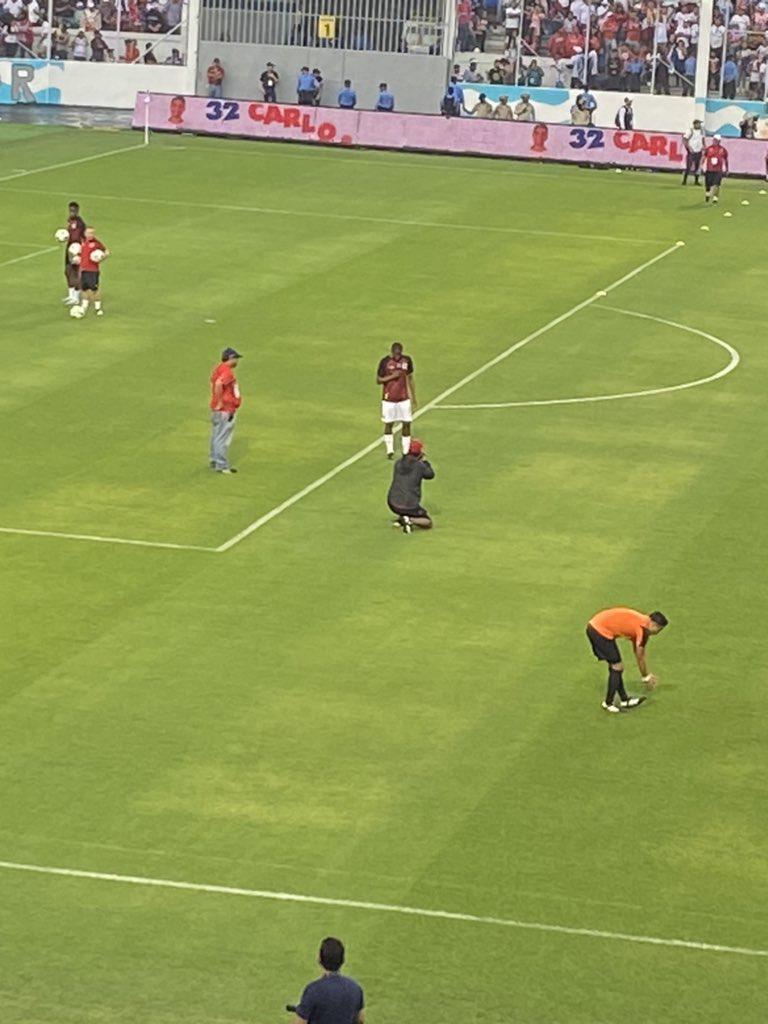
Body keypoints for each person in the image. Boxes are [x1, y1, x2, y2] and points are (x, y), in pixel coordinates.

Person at [586, 608, 669, 713]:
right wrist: (646, 677)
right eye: (659, 629)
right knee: (617, 666)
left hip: (597, 626)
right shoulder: (643, 630)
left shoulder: (643, 623)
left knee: (617, 667)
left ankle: (624, 700)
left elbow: (637, 650)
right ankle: (608, 703)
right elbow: (640, 656)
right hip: (599, 631)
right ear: (653, 624)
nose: (658, 632)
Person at [291, 937, 364, 1024]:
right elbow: (360, 1020)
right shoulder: (355, 988)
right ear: (343, 960)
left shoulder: (313, 990)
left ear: (319, 959)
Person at [387, 439, 434, 534]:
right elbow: (430, 475)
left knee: (402, 498)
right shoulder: (420, 466)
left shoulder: (398, 463)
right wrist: (425, 462)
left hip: (392, 502)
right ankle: (409, 520)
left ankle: (402, 519)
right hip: (409, 505)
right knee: (428, 522)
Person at [377, 341, 415, 459]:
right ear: (392, 352)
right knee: (389, 423)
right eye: (395, 353)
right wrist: (392, 376)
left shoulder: (407, 360)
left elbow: (410, 378)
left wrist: (413, 396)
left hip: (404, 398)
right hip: (389, 399)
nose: (397, 356)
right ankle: (389, 450)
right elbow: (378, 380)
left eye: (399, 353)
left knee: (407, 423)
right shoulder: (385, 362)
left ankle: (405, 451)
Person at [209, 346, 242, 474]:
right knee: (222, 438)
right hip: (225, 410)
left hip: (218, 410)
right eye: (236, 358)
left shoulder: (219, 368)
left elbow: (214, 383)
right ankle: (221, 465)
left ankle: (214, 460)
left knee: (216, 435)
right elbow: (218, 383)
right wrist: (220, 402)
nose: (237, 361)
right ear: (231, 358)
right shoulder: (227, 371)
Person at [77, 226, 109, 317]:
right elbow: (81, 254)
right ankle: (84, 307)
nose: (90, 235)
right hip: (83, 269)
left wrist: (102, 257)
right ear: (85, 233)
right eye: (88, 233)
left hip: (93, 271)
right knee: (84, 289)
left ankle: (98, 308)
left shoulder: (96, 243)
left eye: (92, 233)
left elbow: (106, 251)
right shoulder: (83, 242)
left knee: (94, 289)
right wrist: (77, 258)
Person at [63, 200, 85, 306]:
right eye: (70, 210)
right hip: (69, 249)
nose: (72, 212)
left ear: (77, 211)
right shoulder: (70, 220)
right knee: (67, 271)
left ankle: (76, 297)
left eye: (73, 210)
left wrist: (80, 251)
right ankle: (71, 295)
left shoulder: (80, 223)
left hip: (77, 249)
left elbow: (80, 237)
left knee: (76, 273)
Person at [703, 134, 729, 204]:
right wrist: (701, 166)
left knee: (717, 184)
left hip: (718, 170)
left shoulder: (723, 150)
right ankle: (707, 194)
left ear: (719, 141)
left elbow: (726, 159)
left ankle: (715, 198)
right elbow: (704, 157)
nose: (714, 141)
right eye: (714, 140)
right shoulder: (709, 149)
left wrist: (727, 169)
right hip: (709, 169)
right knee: (708, 184)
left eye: (716, 140)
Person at [682, 117, 705, 186]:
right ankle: (684, 180)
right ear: (695, 124)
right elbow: (685, 139)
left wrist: (704, 145)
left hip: (699, 150)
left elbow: (702, 139)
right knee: (689, 166)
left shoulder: (701, 131)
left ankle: (696, 181)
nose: (699, 125)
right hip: (692, 151)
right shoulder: (690, 130)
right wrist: (689, 148)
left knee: (697, 167)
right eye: (698, 124)